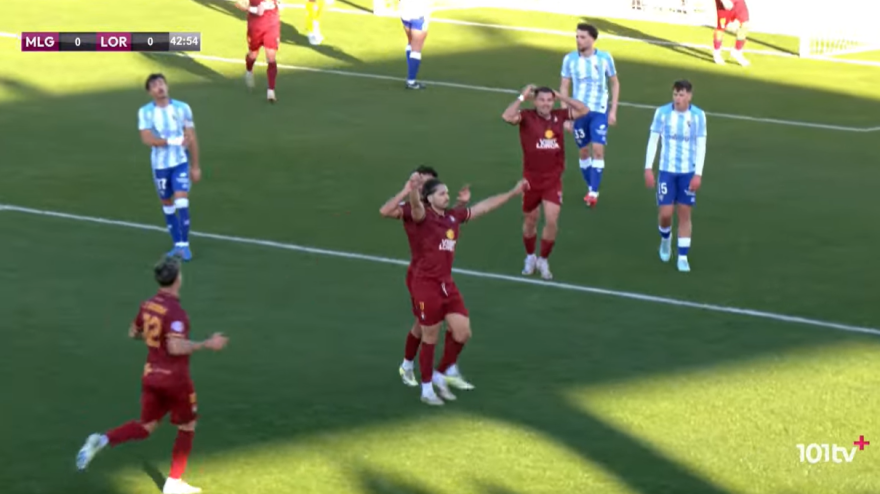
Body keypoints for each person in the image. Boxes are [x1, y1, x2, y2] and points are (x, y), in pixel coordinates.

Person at [75, 255, 229, 494]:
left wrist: (154, 339)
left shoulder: (147, 305)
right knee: (187, 426)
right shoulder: (176, 312)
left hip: (151, 376)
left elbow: (133, 333)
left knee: (146, 426)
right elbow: (175, 347)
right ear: (178, 279)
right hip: (175, 379)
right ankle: (174, 483)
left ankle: (102, 439)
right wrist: (206, 343)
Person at [407, 174, 528, 405]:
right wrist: (413, 189)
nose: (447, 196)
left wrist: (512, 193)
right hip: (426, 286)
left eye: (447, 193)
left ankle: (440, 373)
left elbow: (483, 207)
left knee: (463, 332)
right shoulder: (423, 217)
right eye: (441, 193)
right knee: (430, 337)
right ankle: (427, 389)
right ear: (429, 198)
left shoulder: (453, 216)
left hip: (446, 285)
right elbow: (415, 207)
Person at [378, 166, 470, 386]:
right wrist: (406, 190)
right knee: (424, 324)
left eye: (427, 183)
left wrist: (460, 205)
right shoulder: (412, 209)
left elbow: (448, 221)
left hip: (439, 276)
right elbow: (385, 211)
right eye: (420, 183)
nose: (423, 186)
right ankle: (410, 366)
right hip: (420, 276)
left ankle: (446, 367)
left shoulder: (435, 208)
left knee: (446, 322)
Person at [501, 85, 588, 279]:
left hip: (552, 180)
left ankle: (543, 259)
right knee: (530, 220)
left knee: (551, 220)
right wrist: (522, 96)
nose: (546, 104)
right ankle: (530, 256)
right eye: (541, 100)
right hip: (531, 180)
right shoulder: (526, 117)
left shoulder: (560, 115)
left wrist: (561, 96)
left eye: (549, 100)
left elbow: (584, 110)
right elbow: (507, 116)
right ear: (535, 101)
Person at [644, 80, 708, 273]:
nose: (677, 98)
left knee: (684, 213)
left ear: (689, 96)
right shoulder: (662, 113)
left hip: (687, 172)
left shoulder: (698, 116)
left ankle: (682, 257)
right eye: (675, 95)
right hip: (667, 171)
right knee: (665, 214)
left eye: (681, 95)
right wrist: (648, 168)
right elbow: (653, 140)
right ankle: (665, 239)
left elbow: (701, 145)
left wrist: (698, 174)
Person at [138, 74, 201, 261]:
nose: (159, 87)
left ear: (167, 86)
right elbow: (147, 139)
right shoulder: (145, 112)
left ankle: (185, 246)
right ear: (150, 92)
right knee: (167, 204)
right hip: (160, 166)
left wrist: (195, 166)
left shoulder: (183, 108)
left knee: (181, 201)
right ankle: (177, 244)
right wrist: (172, 141)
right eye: (154, 85)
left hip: (180, 162)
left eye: (161, 83)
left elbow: (191, 137)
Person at [559, 23, 620, 208]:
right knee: (584, 151)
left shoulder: (605, 58)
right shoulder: (569, 59)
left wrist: (613, 110)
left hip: (599, 111)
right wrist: (565, 115)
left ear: (593, 39)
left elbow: (615, 83)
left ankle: (593, 192)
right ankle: (591, 186)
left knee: (598, 150)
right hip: (578, 112)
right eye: (577, 37)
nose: (579, 40)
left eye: (583, 37)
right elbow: (564, 87)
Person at [235, 0, 280, 102]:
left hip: (271, 23)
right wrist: (250, 8)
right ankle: (249, 71)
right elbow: (240, 3)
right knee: (253, 54)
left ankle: (271, 90)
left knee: (271, 57)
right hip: (255, 25)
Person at [399, 0, 430, 89]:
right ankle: (411, 81)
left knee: (411, 41)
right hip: (418, 10)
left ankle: (410, 77)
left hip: (404, 9)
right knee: (416, 48)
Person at [713, 0, 750, 66]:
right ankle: (717, 53)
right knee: (721, 27)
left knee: (745, 24)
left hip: (738, 1)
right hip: (724, 3)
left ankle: (737, 51)